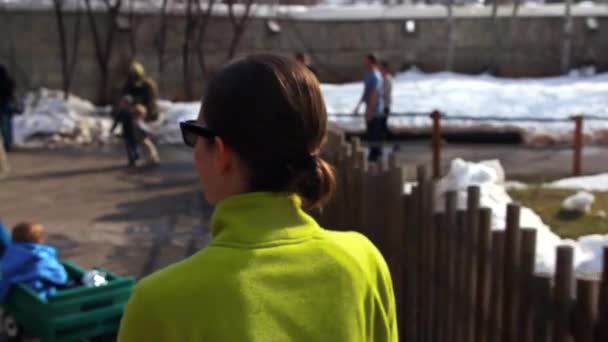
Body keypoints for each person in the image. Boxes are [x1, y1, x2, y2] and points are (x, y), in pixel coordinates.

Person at [118, 54, 398, 342]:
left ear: (222, 152)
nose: (194, 150)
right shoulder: (362, 262)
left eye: (195, 135)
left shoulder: (158, 303)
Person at [0, 222, 68, 300]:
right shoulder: (42, 255)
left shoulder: (10, 254)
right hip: (38, 291)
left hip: (19, 290)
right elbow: (60, 277)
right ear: (39, 240)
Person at [353, 53, 384, 162]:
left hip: (375, 109)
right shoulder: (368, 75)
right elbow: (366, 92)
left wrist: (370, 110)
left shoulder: (376, 76)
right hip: (369, 107)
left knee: (375, 132)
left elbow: (374, 93)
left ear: (371, 62)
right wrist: (359, 106)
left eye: (366, 61)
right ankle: (373, 153)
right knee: (370, 132)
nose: (364, 63)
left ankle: (376, 155)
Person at [111, 95, 139, 167]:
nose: (122, 104)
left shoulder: (134, 111)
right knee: (129, 147)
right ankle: (132, 161)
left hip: (134, 132)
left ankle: (136, 156)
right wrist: (112, 128)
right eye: (122, 103)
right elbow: (116, 121)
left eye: (124, 103)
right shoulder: (122, 112)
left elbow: (140, 120)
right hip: (126, 132)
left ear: (128, 103)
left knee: (135, 146)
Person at [0, 64, 17, 151]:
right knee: (6, 126)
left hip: (4, 105)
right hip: (5, 105)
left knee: (5, 126)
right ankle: (7, 143)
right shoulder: (8, 81)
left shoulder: (6, 82)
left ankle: (6, 144)